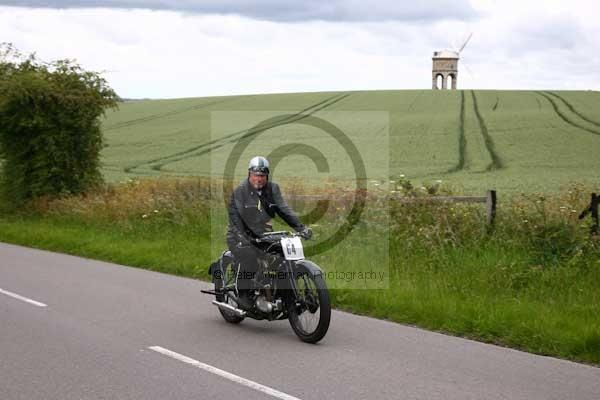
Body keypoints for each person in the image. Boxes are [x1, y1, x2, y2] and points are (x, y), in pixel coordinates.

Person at [226, 156, 311, 310]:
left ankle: (283, 294)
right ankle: (243, 293)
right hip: (239, 235)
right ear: (249, 174)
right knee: (250, 257)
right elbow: (235, 216)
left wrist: (300, 228)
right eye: (256, 175)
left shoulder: (273, 189)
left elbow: (283, 209)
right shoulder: (240, 191)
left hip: (264, 234)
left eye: (262, 175)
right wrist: (243, 236)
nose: (259, 178)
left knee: (283, 256)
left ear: (267, 176)